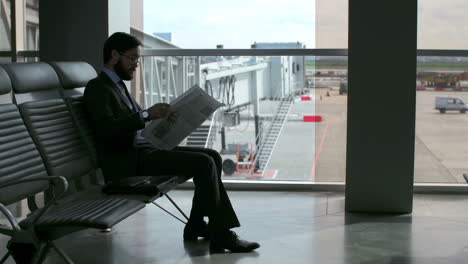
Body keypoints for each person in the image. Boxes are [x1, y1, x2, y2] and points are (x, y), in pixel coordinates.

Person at [83, 32, 260, 253]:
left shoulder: (117, 86)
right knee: (203, 164)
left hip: (142, 149)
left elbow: (132, 121)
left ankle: (196, 224)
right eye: (132, 59)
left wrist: (161, 122)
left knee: (212, 156)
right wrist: (146, 116)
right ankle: (222, 235)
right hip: (127, 159)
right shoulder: (98, 88)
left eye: (138, 60)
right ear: (114, 55)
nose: (136, 65)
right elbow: (106, 129)